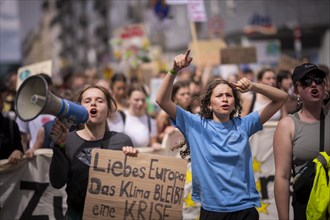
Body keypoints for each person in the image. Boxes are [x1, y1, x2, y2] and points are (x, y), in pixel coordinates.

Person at [156, 50, 288, 220]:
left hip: (245, 209)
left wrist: (253, 86)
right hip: (213, 211)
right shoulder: (194, 125)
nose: (225, 99)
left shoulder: (244, 124)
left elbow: (282, 98)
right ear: (209, 104)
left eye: (228, 95)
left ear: (235, 102)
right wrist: (174, 69)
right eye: (219, 96)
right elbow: (162, 100)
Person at [49, 85, 138, 219]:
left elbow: (133, 187)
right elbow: (57, 183)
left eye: (100, 101)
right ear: (79, 110)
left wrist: (133, 160)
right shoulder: (68, 140)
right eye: (87, 101)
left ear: (109, 111)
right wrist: (59, 146)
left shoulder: (122, 141)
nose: (93, 103)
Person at [273, 63, 330, 220]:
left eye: (318, 80)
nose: (313, 84)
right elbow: (282, 177)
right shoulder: (287, 125)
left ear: (325, 86)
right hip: (306, 206)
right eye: (306, 81)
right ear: (296, 90)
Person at [0, 95, 24, 163]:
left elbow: (20, 149)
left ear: (1, 103)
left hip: (8, 172)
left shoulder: (11, 125)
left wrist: (17, 152)